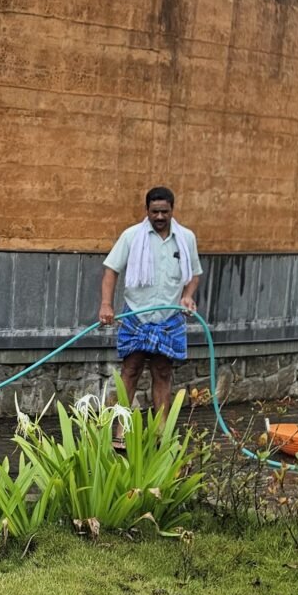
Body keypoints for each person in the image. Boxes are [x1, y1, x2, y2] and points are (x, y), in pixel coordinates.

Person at [99, 186, 202, 448]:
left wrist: (187, 296)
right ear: (147, 211)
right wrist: (106, 305)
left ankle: (161, 432)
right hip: (136, 314)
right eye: (154, 211)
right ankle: (120, 431)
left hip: (169, 317)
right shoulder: (132, 236)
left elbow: (194, 274)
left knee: (162, 371)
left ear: (172, 211)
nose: (159, 216)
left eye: (164, 212)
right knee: (130, 370)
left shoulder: (186, 238)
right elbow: (111, 270)